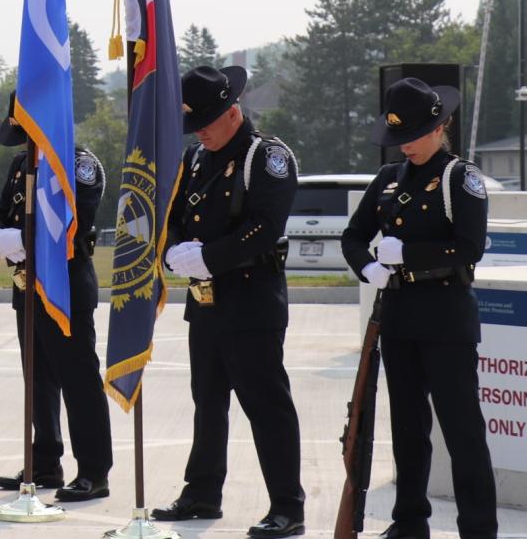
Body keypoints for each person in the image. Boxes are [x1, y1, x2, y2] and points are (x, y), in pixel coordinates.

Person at [341, 77, 497, 539]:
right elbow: (353, 235)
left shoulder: (459, 177)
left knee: (462, 430)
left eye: (412, 135)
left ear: (439, 127)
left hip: (446, 315)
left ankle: (478, 527)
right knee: (408, 429)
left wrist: (409, 254)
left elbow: (469, 247)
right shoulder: (389, 178)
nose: (405, 145)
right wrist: (367, 267)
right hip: (401, 315)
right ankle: (409, 522)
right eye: (398, 137)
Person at [153, 65, 305, 538]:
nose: (199, 132)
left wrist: (209, 257)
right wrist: (175, 248)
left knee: (265, 404)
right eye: (194, 124)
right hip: (206, 301)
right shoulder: (197, 158)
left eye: (207, 122)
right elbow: (173, 213)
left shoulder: (267, 157)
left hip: (251, 300)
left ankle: (287, 505)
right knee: (208, 400)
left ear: (233, 112)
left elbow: (265, 226)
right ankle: (202, 492)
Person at [0, 90, 113, 502]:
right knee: (38, 381)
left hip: (66, 288)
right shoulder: (22, 163)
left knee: (77, 380)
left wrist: (24, 238)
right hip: (26, 289)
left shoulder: (79, 165)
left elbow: (75, 223)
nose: (23, 140)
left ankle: (94, 471)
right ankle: (45, 462)